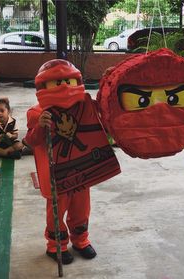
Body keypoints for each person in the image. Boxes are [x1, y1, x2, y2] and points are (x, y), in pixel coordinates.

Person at [24, 59, 121, 265]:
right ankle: (55, 245)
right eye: (57, 82)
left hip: (82, 170)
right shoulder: (37, 112)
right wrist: (41, 126)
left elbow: (104, 107)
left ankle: (81, 240)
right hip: (56, 175)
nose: (64, 86)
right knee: (56, 212)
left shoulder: (84, 105)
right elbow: (31, 141)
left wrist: (110, 81)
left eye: (68, 81)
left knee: (81, 209)